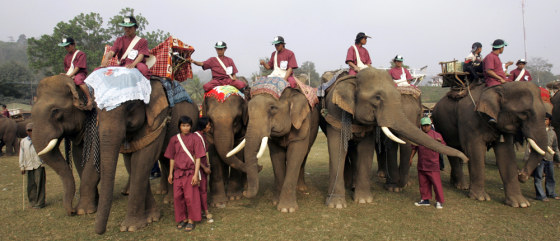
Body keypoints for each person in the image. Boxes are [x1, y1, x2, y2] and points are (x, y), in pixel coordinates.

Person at [164, 116, 204, 232]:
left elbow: (198, 158)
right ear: (179, 126)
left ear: (191, 127)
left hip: (190, 173)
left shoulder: (195, 139)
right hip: (177, 173)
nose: (185, 128)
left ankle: (191, 220)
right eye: (183, 125)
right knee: (177, 197)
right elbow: (171, 157)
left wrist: (196, 175)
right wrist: (170, 173)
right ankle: (183, 218)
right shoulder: (174, 139)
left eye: (187, 125)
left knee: (190, 198)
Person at [409, 117, 445, 209]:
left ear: (430, 125)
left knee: (436, 183)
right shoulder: (418, 136)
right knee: (423, 183)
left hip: (433, 164)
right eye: (423, 126)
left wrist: (440, 143)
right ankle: (425, 199)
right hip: (422, 163)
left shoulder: (436, 135)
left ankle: (439, 201)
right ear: (420, 126)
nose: (425, 128)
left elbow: (444, 147)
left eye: (427, 125)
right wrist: (410, 158)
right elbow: (414, 147)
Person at [532, 113, 560, 201]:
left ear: (549, 121)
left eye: (546, 119)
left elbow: (555, 146)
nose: (544, 121)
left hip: (549, 157)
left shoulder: (552, 132)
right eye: (543, 119)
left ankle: (551, 193)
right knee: (538, 176)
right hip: (539, 157)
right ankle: (540, 195)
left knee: (550, 176)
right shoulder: (537, 131)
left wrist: (558, 157)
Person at [58, 37, 93, 109]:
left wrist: (70, 75)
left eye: (68, 46)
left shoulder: (81, 54)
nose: (66, 48)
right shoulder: (66, 57)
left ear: (73, 45)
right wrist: (66, 75)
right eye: (65, 46)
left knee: (78, 80)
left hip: (79, 74)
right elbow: (67, 69)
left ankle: (89, 99)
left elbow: (78, 67)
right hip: (69, 74)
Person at [19, 123, 46, 209]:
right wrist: (22, 166)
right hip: (28, 166)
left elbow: (44, 152)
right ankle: (32, 202)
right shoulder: (23, 142)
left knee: (39, 184)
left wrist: (43, 161)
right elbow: (21, 154)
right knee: (30, 185)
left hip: (38, 165)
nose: (30, 132)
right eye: (28, 130)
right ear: (26, 131)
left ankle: (40, 203)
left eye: (31, 130)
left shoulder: (39, 140)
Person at [194, 117, 213, 223]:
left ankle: (201, 210)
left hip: (203, 166)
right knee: (202, 190)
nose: (209, 127)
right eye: (208, 125)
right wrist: (204, 167)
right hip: (199, 168)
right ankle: (205, 211)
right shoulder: (197, 137)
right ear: (204, 125)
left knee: (202, 189)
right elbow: (194, 155)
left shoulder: (202, 136)